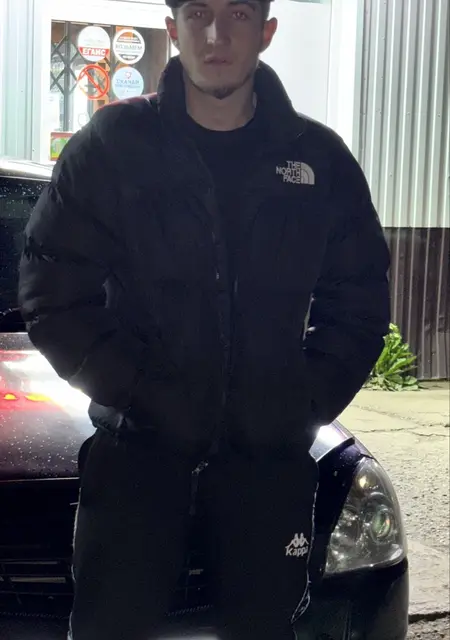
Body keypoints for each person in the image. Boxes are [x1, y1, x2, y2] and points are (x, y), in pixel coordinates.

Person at [18, 0, 390, 638]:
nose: (217, 34)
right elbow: (53, 292)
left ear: (266, 32)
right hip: (137, 461)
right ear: (173, 30)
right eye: (198, 13)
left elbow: (359, 303)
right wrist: (142, 393)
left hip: (267, 469)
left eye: (238, 14)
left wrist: (298, 403)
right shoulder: (112, 147)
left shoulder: (319, 160)